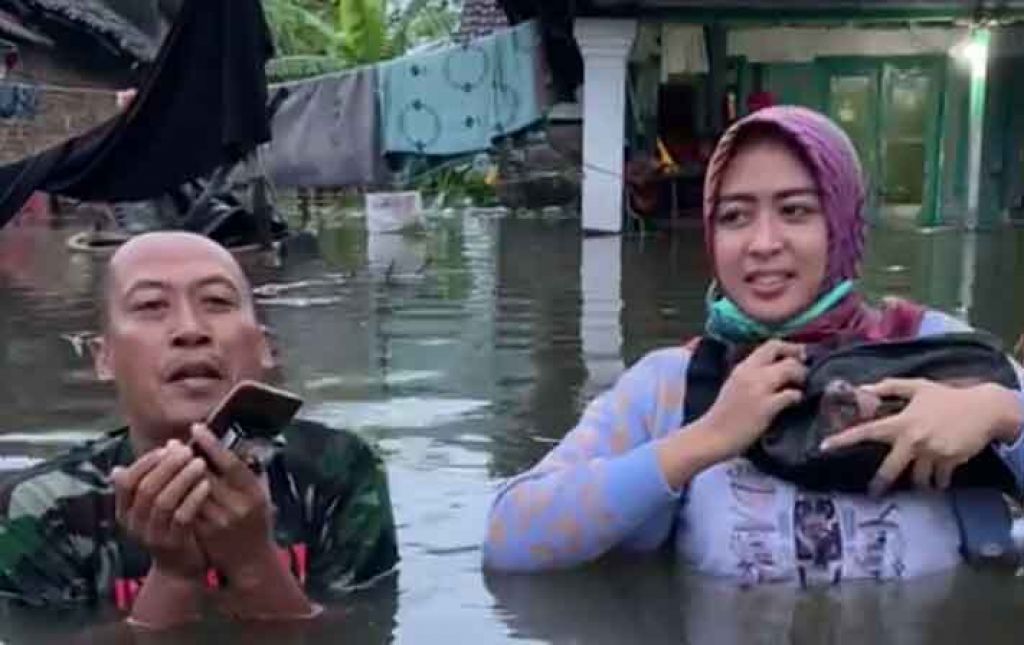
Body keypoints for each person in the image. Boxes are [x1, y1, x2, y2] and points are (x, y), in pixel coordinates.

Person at [483, 106, 1024, 585]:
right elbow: (509, 539)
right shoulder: (677, 384)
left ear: (843, 224)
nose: (763, 244)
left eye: (795, 211)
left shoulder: (940, 353)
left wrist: (1002, 416)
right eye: (735, 216)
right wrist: (706, 439)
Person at [0, 232, 398, 627]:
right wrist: (174, 575)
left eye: (218, 302)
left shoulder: (339, 470)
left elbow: (362, 632)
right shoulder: (41, 507)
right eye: (151, 305)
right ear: (104, 358)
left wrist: (252, 560)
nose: (190, 329)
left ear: (265, 348)